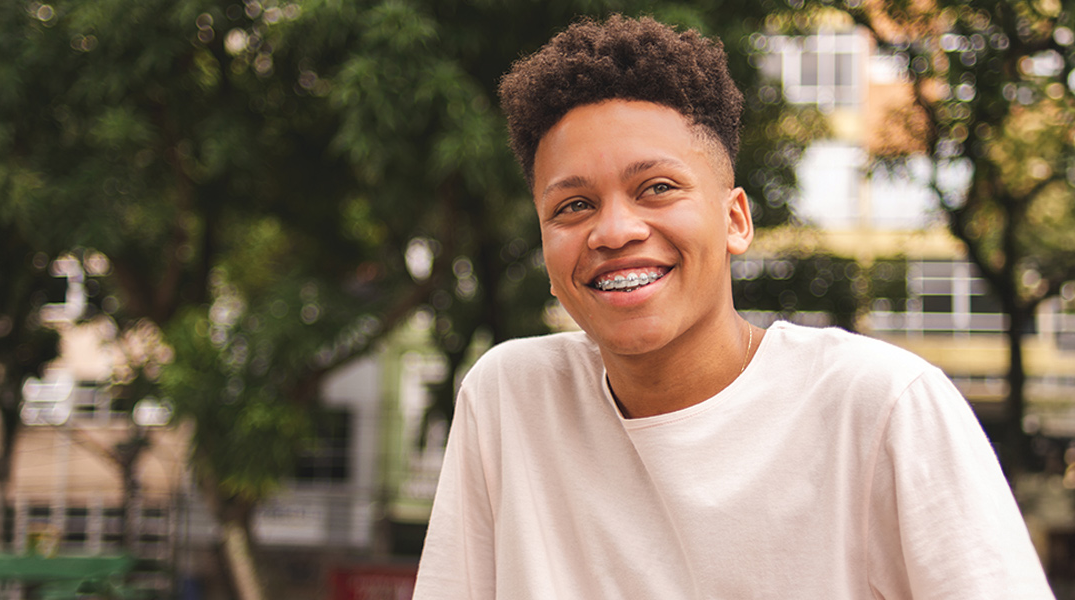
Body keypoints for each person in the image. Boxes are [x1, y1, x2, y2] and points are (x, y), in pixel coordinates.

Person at [412, 15, 1054, 599]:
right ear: (547, 252)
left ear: (735, 220)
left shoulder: (881, 406)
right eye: (572, 206)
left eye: (656, 188)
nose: (613, 231)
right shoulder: (510, 400)